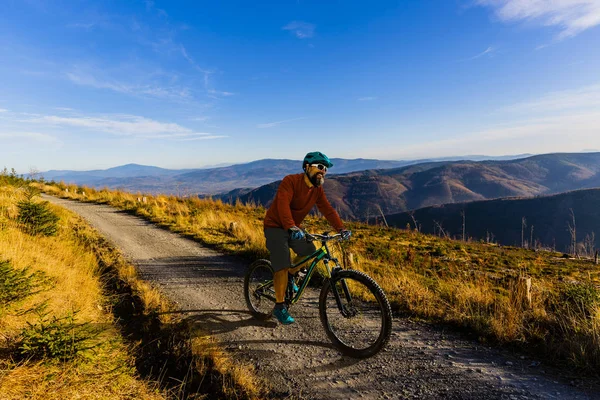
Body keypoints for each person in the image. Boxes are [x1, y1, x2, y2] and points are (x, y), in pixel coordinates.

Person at [263, 151, 351, 325]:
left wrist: (341, 228)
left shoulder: (317, 190)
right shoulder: (290, 181)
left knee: (310, 250)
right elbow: (283, 205)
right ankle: (279, 306)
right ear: (307, 167)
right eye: (319, 167)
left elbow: (327, 210)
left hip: (294, 227)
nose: (323, 171)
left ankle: (291, 275)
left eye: (325, 169)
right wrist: (290, 226)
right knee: (282, 264)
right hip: (275, 226)